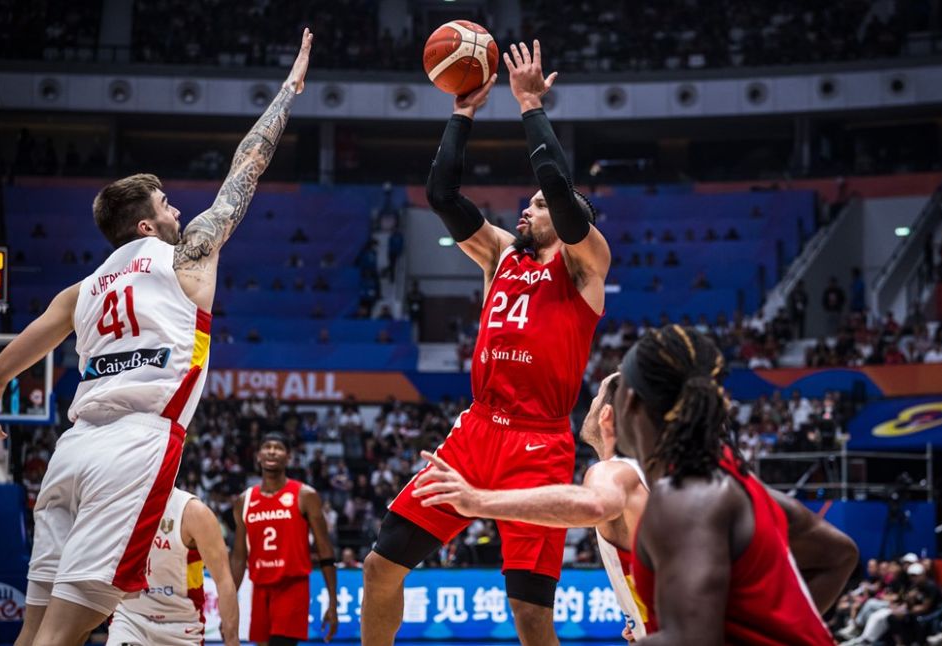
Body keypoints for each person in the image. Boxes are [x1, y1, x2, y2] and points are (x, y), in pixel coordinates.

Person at [0, 30, 315, 646]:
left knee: (32, 630)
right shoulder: (188, 256)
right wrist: (289, 90)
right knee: (65, 631)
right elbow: (247, 165)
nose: (179, 210)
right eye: (167, 203)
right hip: (133, 447)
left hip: (71, 452)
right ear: (145, 225)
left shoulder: (79, 291)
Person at [361, 39, 611, 646]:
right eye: (528, 203)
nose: (527, 209)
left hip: (539, 442)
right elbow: (442, 196)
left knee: (529, 613)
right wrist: (462, 114)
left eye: (538, 206)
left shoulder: (586, 264)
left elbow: (560, 193)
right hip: (476, 430)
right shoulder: (501, 253)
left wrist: (529, 105)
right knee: (379, 565)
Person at [613, 325, 859, 643]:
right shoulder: (731, 480)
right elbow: (838, 555)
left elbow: (691, 642)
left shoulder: (687, 498)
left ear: (630, 400)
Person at [412, 372, 651, 640]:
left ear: (606, 415)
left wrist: (478, 501)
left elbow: (594, 505)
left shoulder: (612, 471)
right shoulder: (648, 476)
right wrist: (642, 621)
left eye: (596, 397)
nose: (590, 403)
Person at [231, 433, 339, 645]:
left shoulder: (305, 495)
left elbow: (325, 550)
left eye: (278, 448)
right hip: (260, 588)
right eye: (267, 447)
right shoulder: (245, 500)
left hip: (292, 587)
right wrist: (229, 602)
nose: (272, 451)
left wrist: (333, 603)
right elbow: (238, 557)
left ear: (288, 457)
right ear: (258, 456)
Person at [107, 488, 240, 645]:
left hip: (181, 626)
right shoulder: (117, 507)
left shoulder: (193, 512)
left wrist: (232, 639)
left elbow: (224, 580)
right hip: (129, 620)